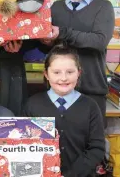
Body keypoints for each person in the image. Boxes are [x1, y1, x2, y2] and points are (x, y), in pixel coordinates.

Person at [43, 0, 115, 126]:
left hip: (92, 88)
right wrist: (45, 42)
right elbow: (50, 48)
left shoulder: (103, 7)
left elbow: (99, 41)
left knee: (91, 141)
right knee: (56, 141)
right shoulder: (55, 8)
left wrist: (63, 33)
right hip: (57, 88)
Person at [23, 45, 105, 176]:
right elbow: (24, 145)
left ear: (79, 73)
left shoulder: (91, 106)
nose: (64, 78)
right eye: (56, 72)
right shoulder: (32, 104)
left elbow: (97, 148)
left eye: (70, 72)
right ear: (46, 74)